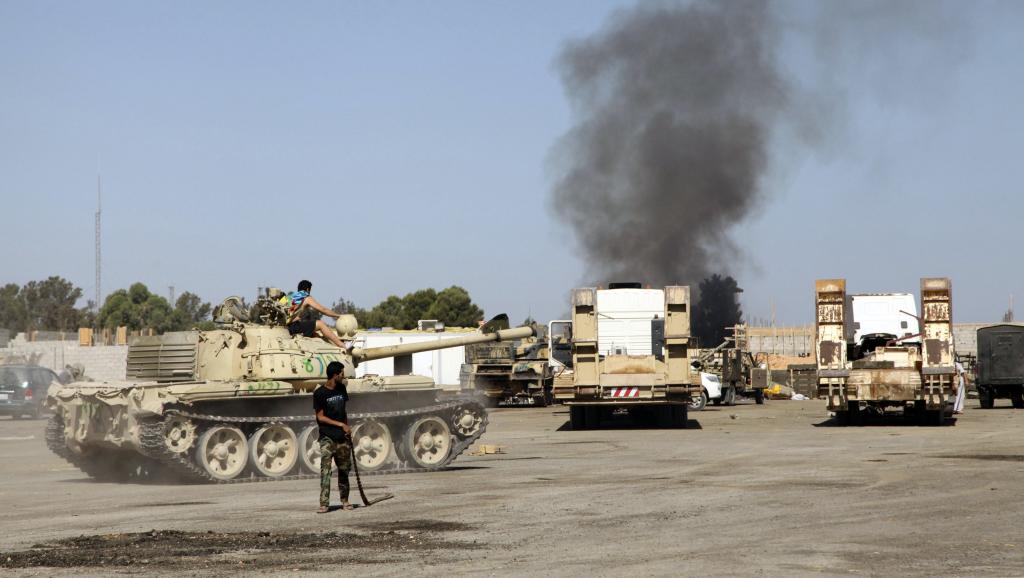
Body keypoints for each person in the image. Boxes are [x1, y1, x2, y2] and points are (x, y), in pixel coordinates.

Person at [314, 361, 352, 513]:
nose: (344, 376)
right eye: (342, 374)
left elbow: (344, 411)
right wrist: (340, 425)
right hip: (327, 437)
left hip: (342, 437)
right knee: (326, 470)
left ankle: (345, 500)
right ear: (335, 375)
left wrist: (347, 428)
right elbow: (320, 417)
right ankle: (324, 503)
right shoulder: (319, 393)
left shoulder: (342, 389)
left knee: (344, 469)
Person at [286, 280, 347, 348]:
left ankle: (334, 347)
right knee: (321, 324)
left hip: (286, 328)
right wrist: (338, 315)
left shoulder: (290, 297)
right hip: (294, 327)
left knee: (315, 335)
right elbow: (323, 310)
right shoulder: (306, 297)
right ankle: (343, 345)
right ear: (308, 289)